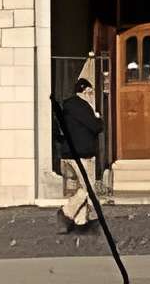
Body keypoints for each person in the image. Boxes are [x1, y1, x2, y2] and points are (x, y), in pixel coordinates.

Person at [53, 76, 105, 231]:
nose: (91, 95)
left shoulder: (67, 107)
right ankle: (66, 212)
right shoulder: (83, 106)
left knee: (80, 188)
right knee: (87, 189)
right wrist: (98, 117)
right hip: (82, 154)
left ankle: (81, 221)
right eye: (90, 92)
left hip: (68, 154)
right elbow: (96, 126)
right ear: (85, 91)